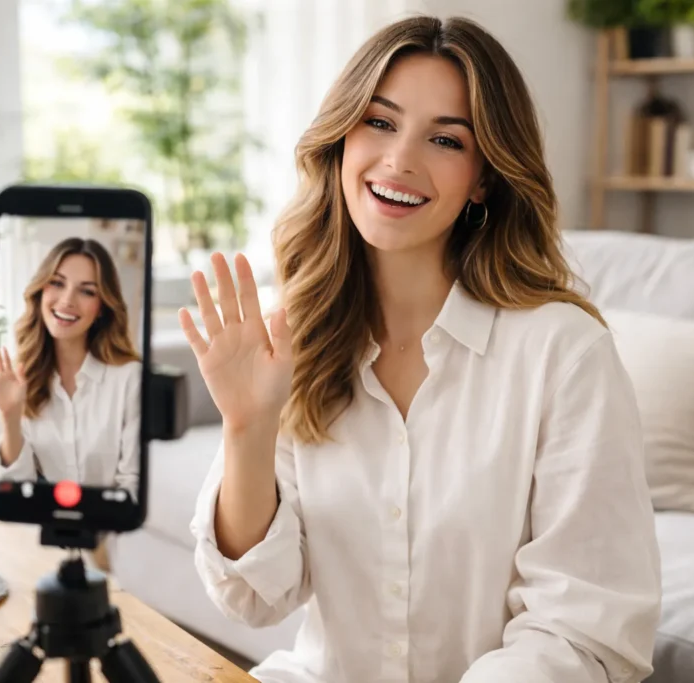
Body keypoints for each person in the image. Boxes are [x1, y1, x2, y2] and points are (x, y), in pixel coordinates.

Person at [179, 15, 662, 683]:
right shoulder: (300, 337)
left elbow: (583, 628)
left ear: (485, 177)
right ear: (341, 138)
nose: (400, 160)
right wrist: (246, 426)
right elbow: (256, 596)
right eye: (379, 122)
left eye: (444, 138)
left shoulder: (564, 351)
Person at [0, 236, 142, 498]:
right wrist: (11, 417)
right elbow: (15, 488)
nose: (67, 300)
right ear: (40, 292)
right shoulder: (16, 379)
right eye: (57, 283)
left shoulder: (130, 378)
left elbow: (132, 483)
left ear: (102, 308)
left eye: (87, 291)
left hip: (109, 533)